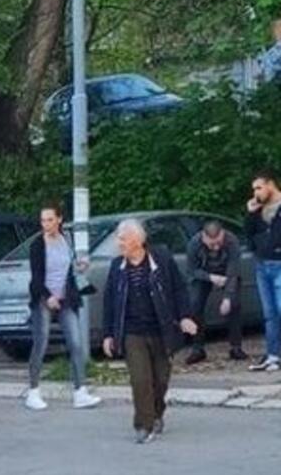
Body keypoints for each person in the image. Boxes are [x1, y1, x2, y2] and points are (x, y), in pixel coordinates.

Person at [102, 219, 198, 444]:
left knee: (161, 380)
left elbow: (179, 288)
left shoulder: (161, 259)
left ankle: (156, 413)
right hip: (131, 332)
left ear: (137, 240)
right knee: (140, 379)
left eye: (122, 238)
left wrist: (185, 317)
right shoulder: (117, 267)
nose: (119, 243)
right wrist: (108, 334)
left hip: (161, 330)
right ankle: (143, 425)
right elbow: (109, 302)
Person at [24, 202, 101, 411]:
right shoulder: (38, 245)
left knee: (76, 343)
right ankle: (33, 391)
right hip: (44, 298)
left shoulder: (66, 239)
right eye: (43, 220)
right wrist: (48, 296)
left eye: (50, 220)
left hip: (66, 297)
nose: (46, 224)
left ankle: (80, 391)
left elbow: (68, 267)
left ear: (59, 219)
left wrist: (79, 266)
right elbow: (37, 277)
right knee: (41, 343)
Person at [185, 220, 247, 364]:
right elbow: (192, 271)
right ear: (203, 237)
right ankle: (197, 348)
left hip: (227, 274)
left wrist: (227, 298)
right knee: (195, 305)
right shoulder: (194, 244)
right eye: (211, 244)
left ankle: (235, 347)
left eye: (219, 242)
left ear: (223, 234)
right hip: (204, 274)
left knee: (234, 304)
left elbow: (233, 270)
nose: (216, 247)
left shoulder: (232, 241)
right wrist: (210, 277)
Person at [245, 169, 281, 372]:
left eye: (259, 187)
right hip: (262, 263)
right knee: (269, 313)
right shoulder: (258, 208)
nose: (256, 192)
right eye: (254, 189)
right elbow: (249, 233)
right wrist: (251, 214)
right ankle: (273, 355)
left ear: (270, 184)